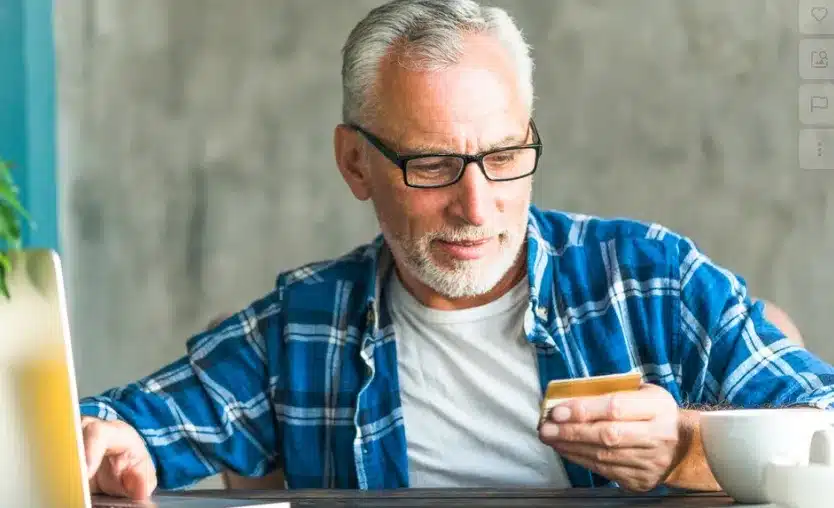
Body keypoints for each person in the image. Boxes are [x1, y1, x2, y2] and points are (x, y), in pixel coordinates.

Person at [78, 0, 834, 501]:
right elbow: (113, 429)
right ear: (354, 164)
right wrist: (110, 445)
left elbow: (824, 432)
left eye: (504, 157)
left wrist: (685, 445)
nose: (478, 206)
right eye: (432, 165)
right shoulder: (304, 331)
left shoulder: (647, 282)